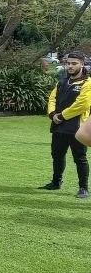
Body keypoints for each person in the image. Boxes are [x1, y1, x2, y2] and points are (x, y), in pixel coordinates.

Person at [39, 50, 91, 198]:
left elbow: (83, 104)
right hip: (58, 127)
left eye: (74, 63)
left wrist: (61, 116)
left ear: (82, 64)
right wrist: (52, 114)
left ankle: (83, 188)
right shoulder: (62, 81)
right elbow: (52, 98)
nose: (70, 66)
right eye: (68, 63)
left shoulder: (88, 83)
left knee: (80, 158)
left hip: (77, 127)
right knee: (57, 155)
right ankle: (56, 182)